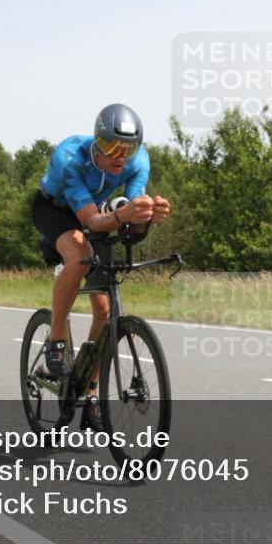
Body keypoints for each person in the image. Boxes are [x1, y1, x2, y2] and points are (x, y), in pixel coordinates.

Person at [32, 103, 171, 385]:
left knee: (105, 310)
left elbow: (131, 213)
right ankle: (56, 337)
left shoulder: (139, 161)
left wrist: (148, 216)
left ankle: (90, 387)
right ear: (97, 141)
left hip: (95, 209)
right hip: (54, 208)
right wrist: (124, 214)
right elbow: (93, 221)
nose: (120, 157)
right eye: (112, 147)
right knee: (79, 256)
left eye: (128, 149)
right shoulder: (70, 157)